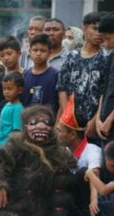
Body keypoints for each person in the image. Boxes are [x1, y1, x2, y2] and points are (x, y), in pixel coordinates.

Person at [58, 12, 106, 140]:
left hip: (96, 122)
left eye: (102, 30)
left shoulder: (106, 58)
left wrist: (95, 119)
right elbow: (62, 87)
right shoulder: (72, 56)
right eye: (95, 29)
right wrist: (67, 115)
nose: (99, 33)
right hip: (71, 121)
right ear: (84, 28)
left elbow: (105, 93)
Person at [56, 94, 102, 216]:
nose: (56, 134)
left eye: (60, 131)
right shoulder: (63, 152)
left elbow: (95, 175)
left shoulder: (92, 150)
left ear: (72, 135)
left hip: (88, 199)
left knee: (83, 172)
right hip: (72, 198)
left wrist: (94, 200)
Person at [85, 141, 114, 216]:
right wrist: (93, 198)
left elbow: (104, 190)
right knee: (101, 197)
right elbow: (96, 174)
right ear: (105, 159)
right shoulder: (103, 165)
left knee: (108, 196)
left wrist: (90, 174)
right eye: (112, 166)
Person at [22, 34, 59, 114]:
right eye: (35, 50)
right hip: (27, 122)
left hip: (48, 122)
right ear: (30, 51)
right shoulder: (25, 75)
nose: (38, 53)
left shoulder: (55, 75)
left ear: (50, 53)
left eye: (43, 51)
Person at [0, 72, 24, 148]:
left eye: (9, 89)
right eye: (4, 89)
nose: (6, 92)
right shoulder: (7, 104)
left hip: (7, 148)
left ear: (20, 90)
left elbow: (17, 132)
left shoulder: (18, 108)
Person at [97, 14, 114, 144]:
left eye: (107, 38)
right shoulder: (111, 56)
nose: (105, 43)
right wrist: (98, 118)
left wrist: (110, 120)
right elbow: (103, 88)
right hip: (104, 125)